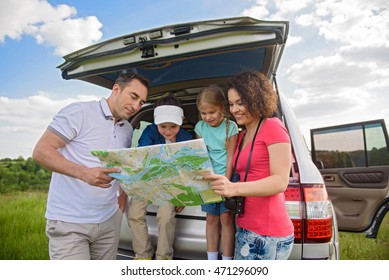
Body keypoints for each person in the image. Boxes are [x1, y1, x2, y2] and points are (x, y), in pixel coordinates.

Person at [32, 73, 149, 260]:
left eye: (141, 102)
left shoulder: (127, 129)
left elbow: (120, 167)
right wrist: (84, 173)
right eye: (133, 97)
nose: (136, 106)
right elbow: (41, 151)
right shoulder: (79, 112)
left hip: (109, 220)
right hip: (71, 222)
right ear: (116, 89)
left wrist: (122, 198)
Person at [205, 71, 294, 260]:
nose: (234, 109)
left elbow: (280, 182)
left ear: (256, 99)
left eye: (240, 102)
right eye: (231, 104)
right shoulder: (243, 135)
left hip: (267, 235)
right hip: (245, 227)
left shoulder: (273, 127)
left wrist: (232, 188)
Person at [127, 95, 193, 260]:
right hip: (147, 179)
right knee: (134, 213)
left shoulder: (186, 138)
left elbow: (188, 170)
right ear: (156, 122)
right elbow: (143, 152)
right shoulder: (149, 131)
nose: (168, 131)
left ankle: (164, 257)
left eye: (173, 126)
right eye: (163, 126)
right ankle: (143, 254)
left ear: (182, 121)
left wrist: (182, 197)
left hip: (171, 184)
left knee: (165, 217)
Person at [195, 85, 238, 260]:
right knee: (211, 219)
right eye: (203, 113)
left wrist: (226, 182)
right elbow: (200, 155)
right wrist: (207, 179)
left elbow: (230, 157)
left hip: (226, 177)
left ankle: (227, 261)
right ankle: (212, 261)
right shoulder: (200, 127)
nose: (207, 117)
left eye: (212, 112)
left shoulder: (231, 127)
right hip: (209, 179)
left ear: (222, 108)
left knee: (226, 219)